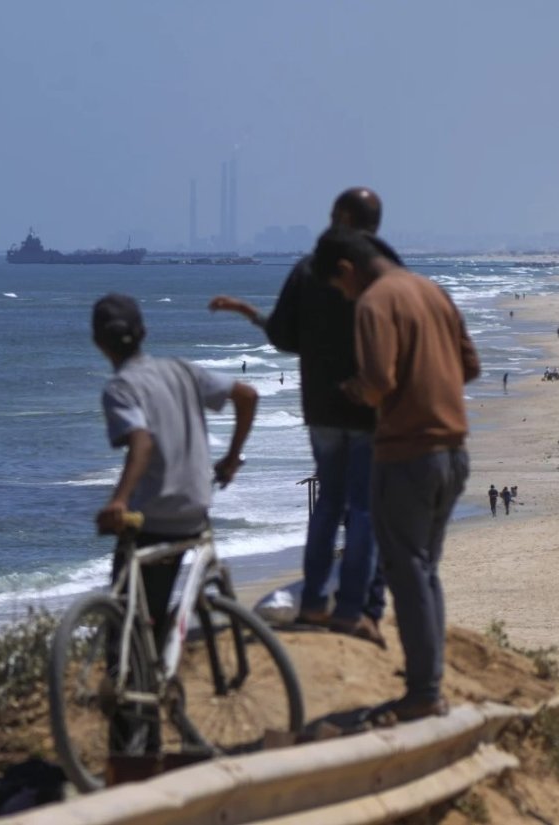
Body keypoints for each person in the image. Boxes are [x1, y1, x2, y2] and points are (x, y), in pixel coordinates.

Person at [207, 188, 391, 647]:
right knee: (364, 508)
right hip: (371, 407)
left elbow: (284, 337)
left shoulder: (310, 270)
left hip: (324, 408)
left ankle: (313, 600)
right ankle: (352, 609)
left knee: (330, 502)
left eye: (334, 213)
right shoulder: (385, 269)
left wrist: (254, 316)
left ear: (345, 217)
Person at [313, 227, 480, 723]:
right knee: (425, 569)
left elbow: (380, 380)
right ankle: (427, 682)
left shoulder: (373, 304)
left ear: (346, 271)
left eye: (339, 288)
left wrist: (353, 390)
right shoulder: (433, 291)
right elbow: (468, 365)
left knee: (405, 572)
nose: (345, 297)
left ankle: (425, 692)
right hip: (453, 450)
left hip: (407, 454)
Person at [93, 293, 258, 650]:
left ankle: (127, 680)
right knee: (162, 598)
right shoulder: (181, 370)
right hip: (197, 509)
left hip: (153, 519)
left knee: (127, 617)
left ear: (97, 342)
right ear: (144, 332)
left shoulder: (120, 388)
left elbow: (141, 441)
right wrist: (231, 458)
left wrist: (119, 501)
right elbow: (247, 395)